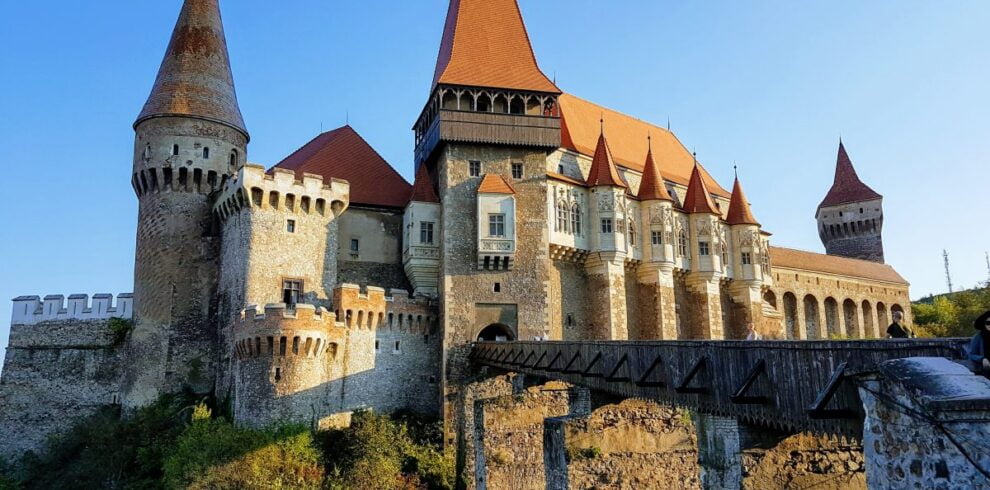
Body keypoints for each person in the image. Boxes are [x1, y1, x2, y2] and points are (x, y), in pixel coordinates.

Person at [967, 311, 990, 375]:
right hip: (985, 371)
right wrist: (982, 359)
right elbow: (971, 355)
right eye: (988, 323)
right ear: (984, 324)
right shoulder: (978, 337)